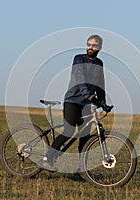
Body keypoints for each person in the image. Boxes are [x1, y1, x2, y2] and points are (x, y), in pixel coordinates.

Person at [38, 35, 109, 171]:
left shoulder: (99, 63)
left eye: (94, 45)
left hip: (86, 104)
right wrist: (88, 95)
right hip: (72, 101)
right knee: (69, 130)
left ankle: (81, 170)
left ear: (100, 47)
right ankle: (46, 158)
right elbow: (79, 79)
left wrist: (103, 102)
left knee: (85, 137)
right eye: (88, 44)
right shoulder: (79, 59)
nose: (90, 47)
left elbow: (100, 84)